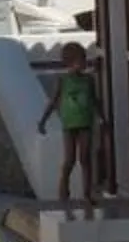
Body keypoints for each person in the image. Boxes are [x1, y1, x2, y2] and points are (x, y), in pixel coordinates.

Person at [37, 41, 103, 208]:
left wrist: (102, 118)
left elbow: (95, 101)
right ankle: (63, 190)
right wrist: (43, 121)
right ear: (71, 62)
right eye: (80, 61)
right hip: (69, 123)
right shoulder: (63, 80)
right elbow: (53, 101)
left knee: (85, 158)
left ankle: (87, 194)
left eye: (84, 60)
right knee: (70, 159)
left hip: (85, 122)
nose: (83, 64)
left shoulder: (88, 80)